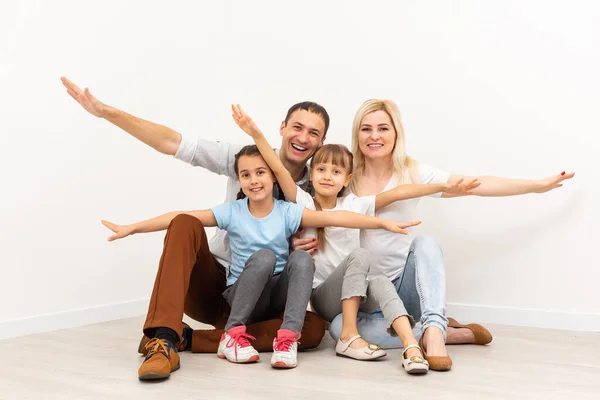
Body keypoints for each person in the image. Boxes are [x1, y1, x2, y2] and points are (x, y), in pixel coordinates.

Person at [60, 77, 329, 375]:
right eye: (297, 127)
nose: (303, 138)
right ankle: (162, 339)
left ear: (322, 142)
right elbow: (173, 143)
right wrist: (108, 113)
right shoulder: (245, 157)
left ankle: (192, 339)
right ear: (282, 128)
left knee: (315, 328)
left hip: (266, 298)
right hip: (219, 288)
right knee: (186, 222)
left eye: (313, 133)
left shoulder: (318, 187)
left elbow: (336, 233)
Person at [103, 145, 419, 377]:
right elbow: (180, 216)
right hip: (237, 297)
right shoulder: (232, 212)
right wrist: (134, 227)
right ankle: (212, 335)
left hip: (271, 302)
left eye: (260, 173)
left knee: (306, 289)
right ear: (239, 181)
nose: (254, 180)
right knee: (260, 255)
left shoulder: (287, 211)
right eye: (245, 175)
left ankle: (279, 340)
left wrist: (381, 223)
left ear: (272, 178)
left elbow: (336, 216)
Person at [321, 99, 575, 371]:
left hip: (403, 289)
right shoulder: (344, 177)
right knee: (337, 329)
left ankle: (432, 327)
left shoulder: (412, 172)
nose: (374, 136)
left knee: (425, 243)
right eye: (366, 129)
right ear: (356, 134)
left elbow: (475, 184)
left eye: (383, 128)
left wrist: (535, 186)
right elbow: (317, 211)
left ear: (396, 133)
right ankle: (446, 332)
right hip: (363, 296)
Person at [231, 105, 479, 374]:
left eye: (336, 172)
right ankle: (350, 335)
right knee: (360, 258)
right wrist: (256, 133)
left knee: (381, 282)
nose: (327, 176)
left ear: (347, 179)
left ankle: (414, 343)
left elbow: (399, 192)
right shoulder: (302, 202)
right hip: (326, 296)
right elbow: (278, 168)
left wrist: (442, 186)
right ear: (310, 175)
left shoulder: (355, 203)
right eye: (321, 170)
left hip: (358, 294)